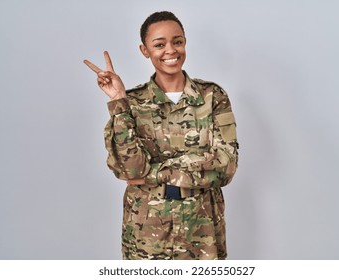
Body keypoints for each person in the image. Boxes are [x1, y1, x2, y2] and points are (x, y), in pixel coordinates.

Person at [84, 11, 239, 260]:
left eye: (177, 41)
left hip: (201, 227)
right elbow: (130, 171)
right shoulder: (131, 103)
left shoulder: (212, 96)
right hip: (146, 229)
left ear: (185, 42)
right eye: (159, 44)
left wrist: (156, 173)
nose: (170, 50)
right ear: (145, 50)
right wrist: (118, 102)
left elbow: (225, 166)